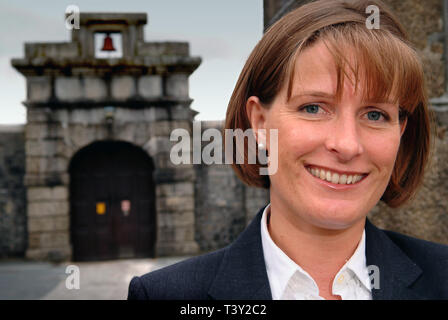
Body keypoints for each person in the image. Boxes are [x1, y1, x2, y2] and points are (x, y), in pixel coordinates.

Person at [128, 0, 448, 300]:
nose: (348, 144)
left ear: (400, 131)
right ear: (260, 122)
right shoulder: (166, 295)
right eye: (313, 108)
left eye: (375, 114)